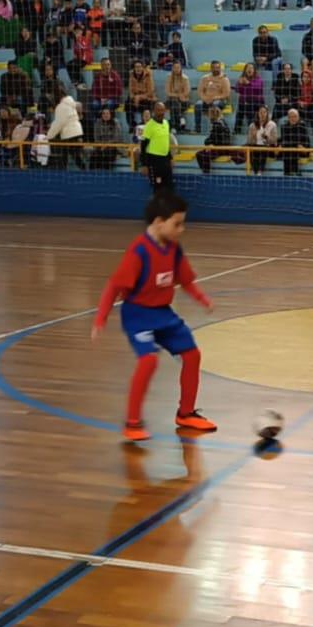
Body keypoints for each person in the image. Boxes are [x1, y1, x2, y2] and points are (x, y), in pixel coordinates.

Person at [90, 192, 217, 442]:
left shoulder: (174, 249)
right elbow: (114, 286)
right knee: (149, 361)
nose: (182, 229)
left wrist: (203, 299)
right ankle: (132, 422)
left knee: (193, 355)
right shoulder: (139, 252)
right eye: (177, 223)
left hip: (163, 314)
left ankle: (186, 413)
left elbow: (186, 281)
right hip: (137, 315)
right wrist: (100, 319)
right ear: (159, 222)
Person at [139, 101, 174, 189]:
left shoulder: (166, 123)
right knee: (158, 187)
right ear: (154, 111)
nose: (161, 112)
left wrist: (170, 158)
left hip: (165, 161)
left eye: (162, 110)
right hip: (154, 161)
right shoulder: (149, 126)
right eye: (158, 110)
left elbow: (165, 142)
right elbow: (143, 146)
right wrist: (144, 165)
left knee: (169, 186)